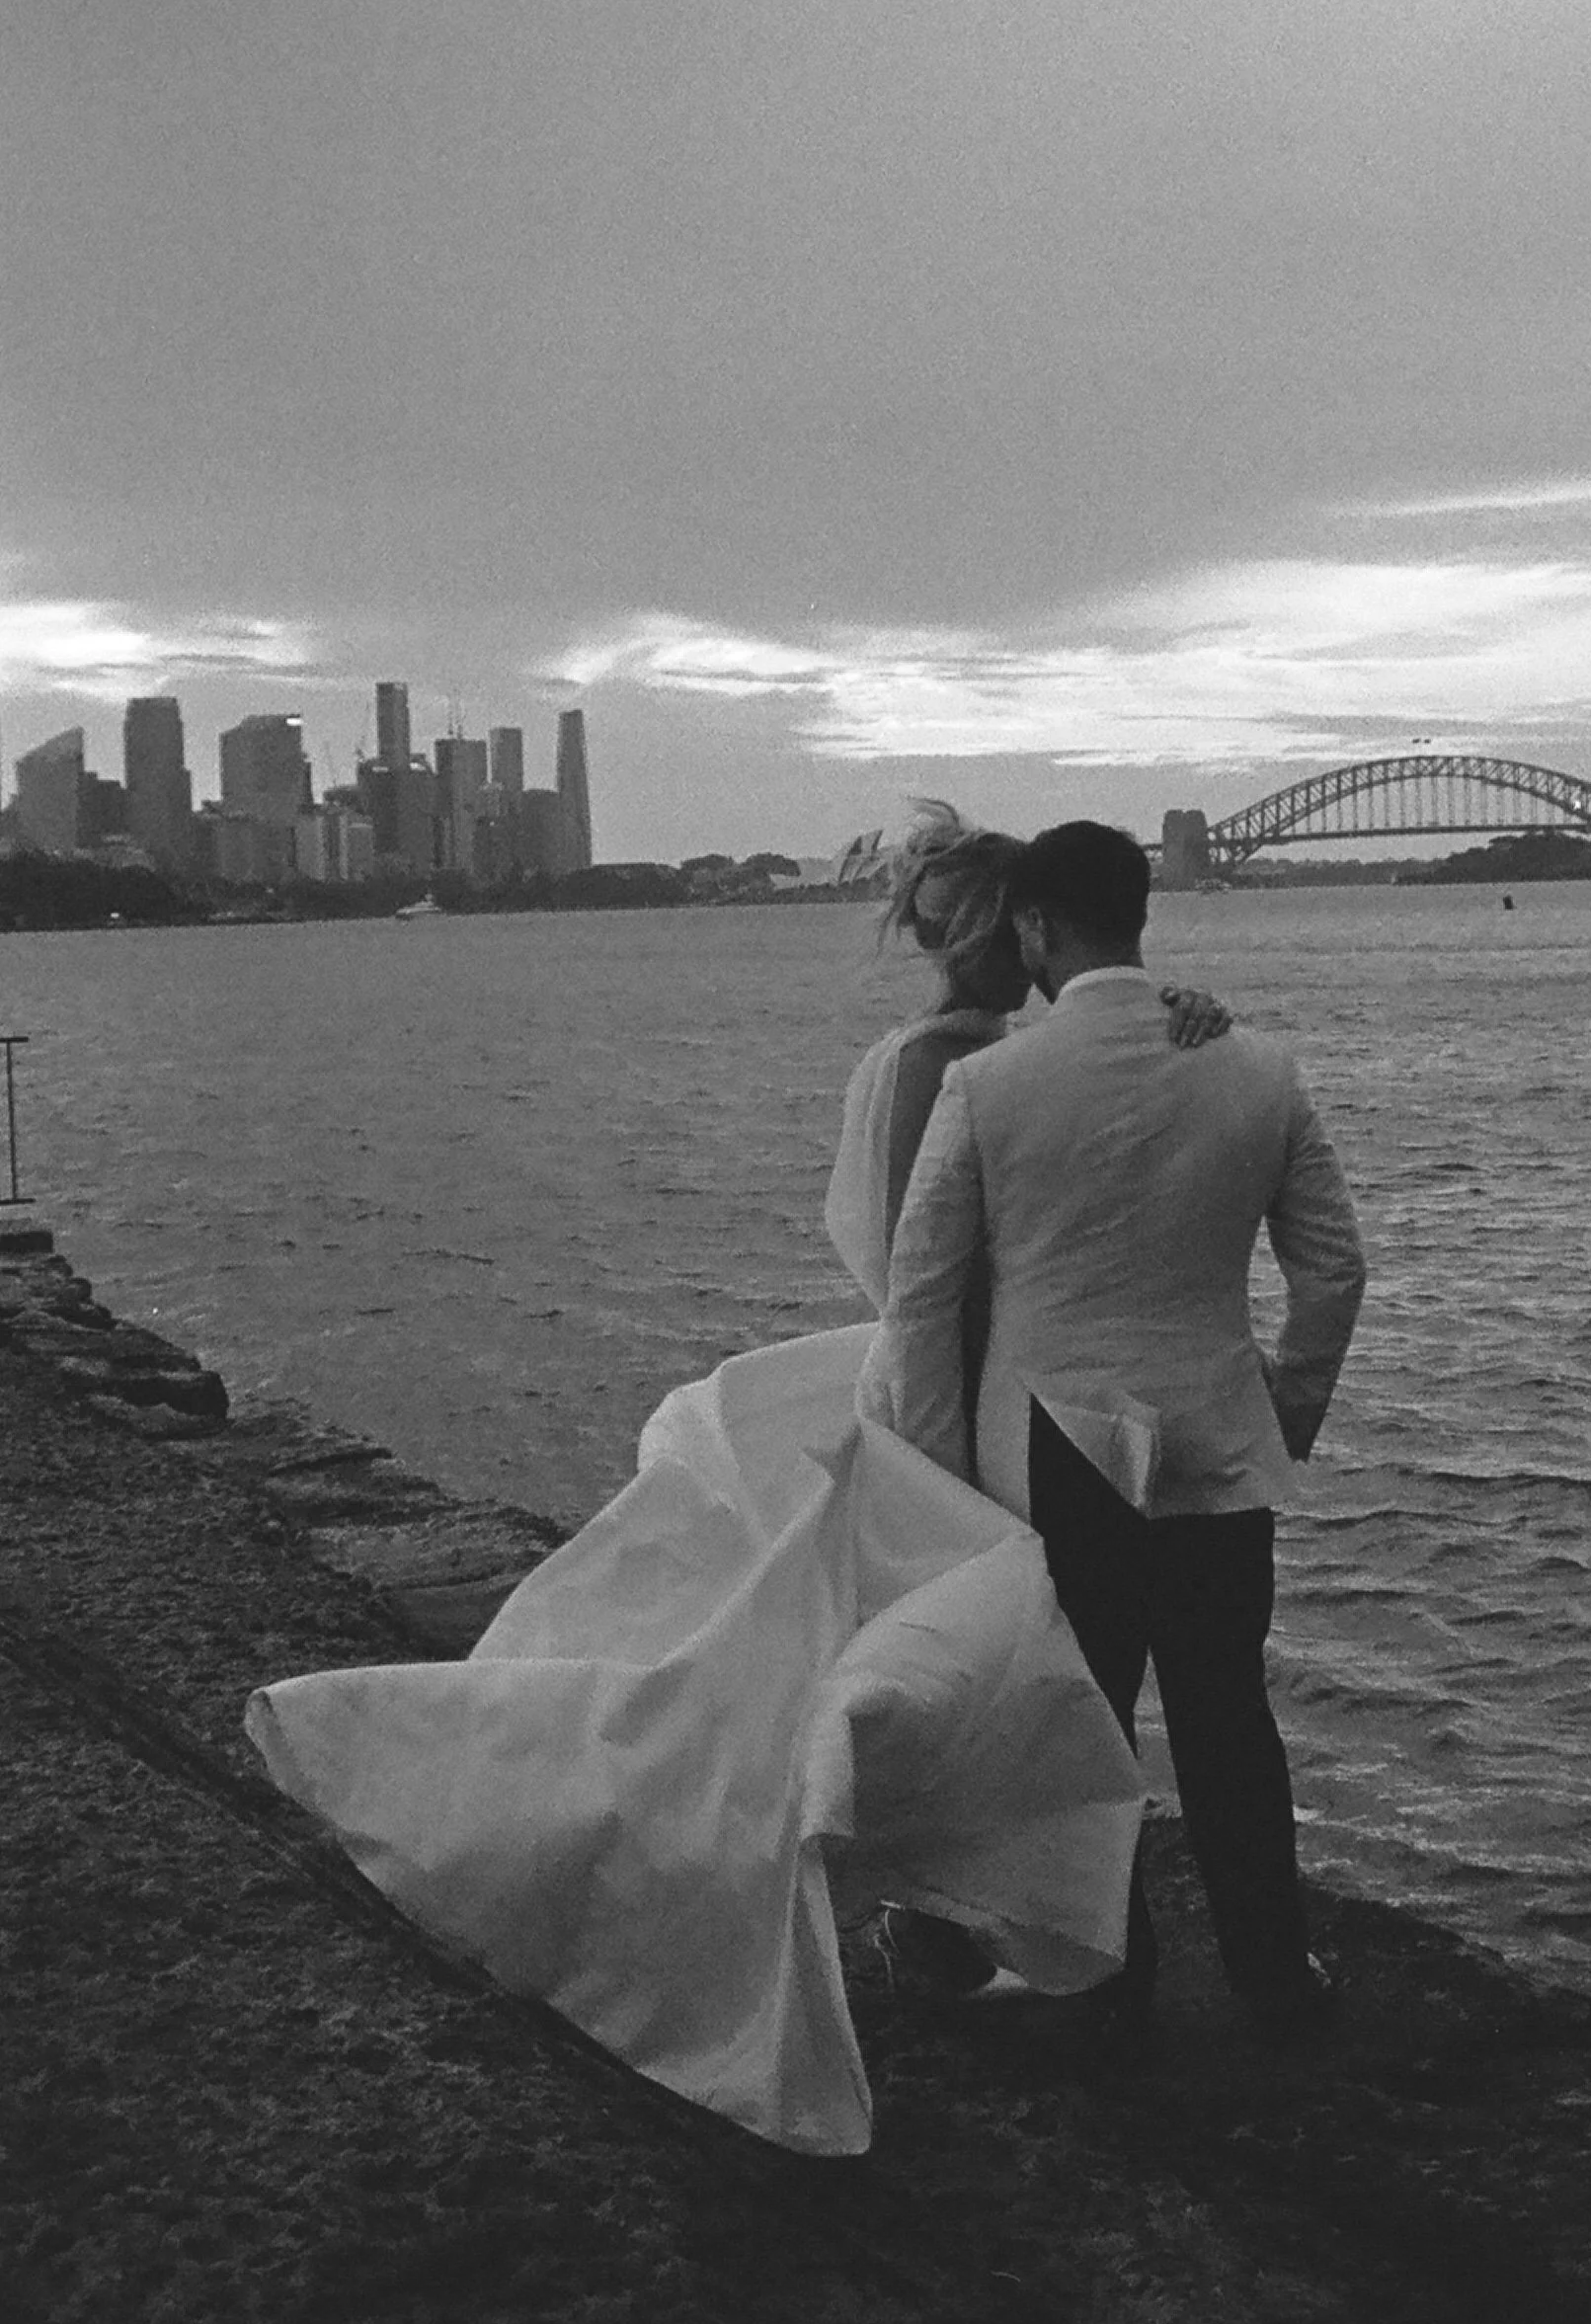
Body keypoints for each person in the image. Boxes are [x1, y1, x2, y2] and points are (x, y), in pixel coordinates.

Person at [245, 805, 1228, 2155]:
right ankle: (965, 1933)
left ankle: (963, 1933)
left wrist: (1184, 1015)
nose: (1029, 947)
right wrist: (948, 1443)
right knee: (932, 1668)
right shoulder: (939, 1065)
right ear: (987, 932)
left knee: (929, 1670)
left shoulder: (992, 1057)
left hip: (998, 1403)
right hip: (956, 1411)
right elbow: (923, 1274)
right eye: (1014, 926)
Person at [876, 819, 1366, 2046]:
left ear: (1037, 926)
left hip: (1050, 1452)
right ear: (1141, 912)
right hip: (1216, 1440)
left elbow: (922, 1298)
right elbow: (1332, 1273)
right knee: (1226, 1716)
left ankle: (1106, 1976)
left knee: (1074, 1728)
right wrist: (1284, 1411)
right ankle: (1271, 1970)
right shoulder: (1258, 1069)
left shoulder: (988, 1086)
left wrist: (937, 1475)